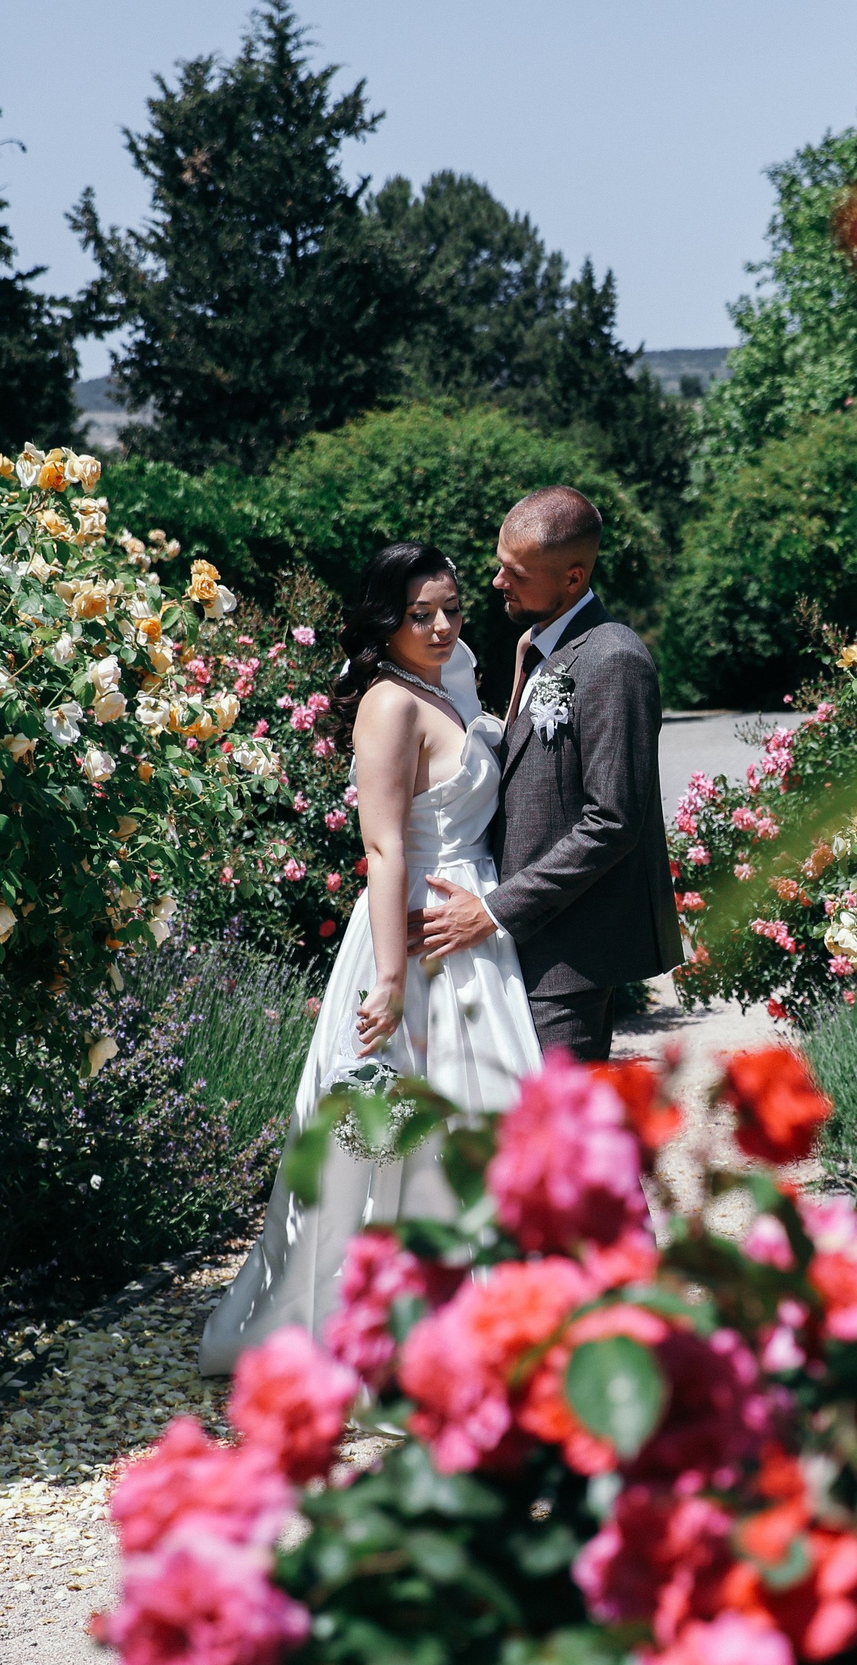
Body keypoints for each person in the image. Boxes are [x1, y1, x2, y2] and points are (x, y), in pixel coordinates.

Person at [197, 543, 540, 1375]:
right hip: (415, 933)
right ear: (384, 622)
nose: (440, 624)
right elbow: (385, 848)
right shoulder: (388, 704)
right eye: (418, 613)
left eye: (452, 606)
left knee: (480, 1125)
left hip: (472, 929)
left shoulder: (446, 682)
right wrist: (389, 979)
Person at [410, 485, 683, 1061]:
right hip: (517, 941)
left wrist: (491, 910)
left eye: (517, 572)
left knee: (558, 1138)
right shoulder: (533, 646)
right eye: (500, 564)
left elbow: (613, 821)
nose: (497, 583)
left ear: (573, 579)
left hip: (568, 956)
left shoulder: (616, 660)